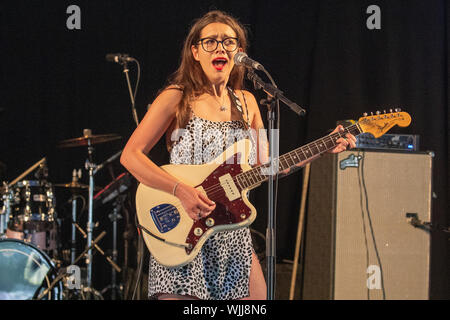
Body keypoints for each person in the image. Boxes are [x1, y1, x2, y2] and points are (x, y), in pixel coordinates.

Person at [120, 10, 356, 300]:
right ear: (194, 51)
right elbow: (130, 156)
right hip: (184, 229)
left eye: (229, 42)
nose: (220, 48)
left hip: (232, 231)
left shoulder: (248, 102)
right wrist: (181, 190)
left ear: (239, 52)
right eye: (210, 42)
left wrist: (324, 147)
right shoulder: (176, 96)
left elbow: (268, 168)